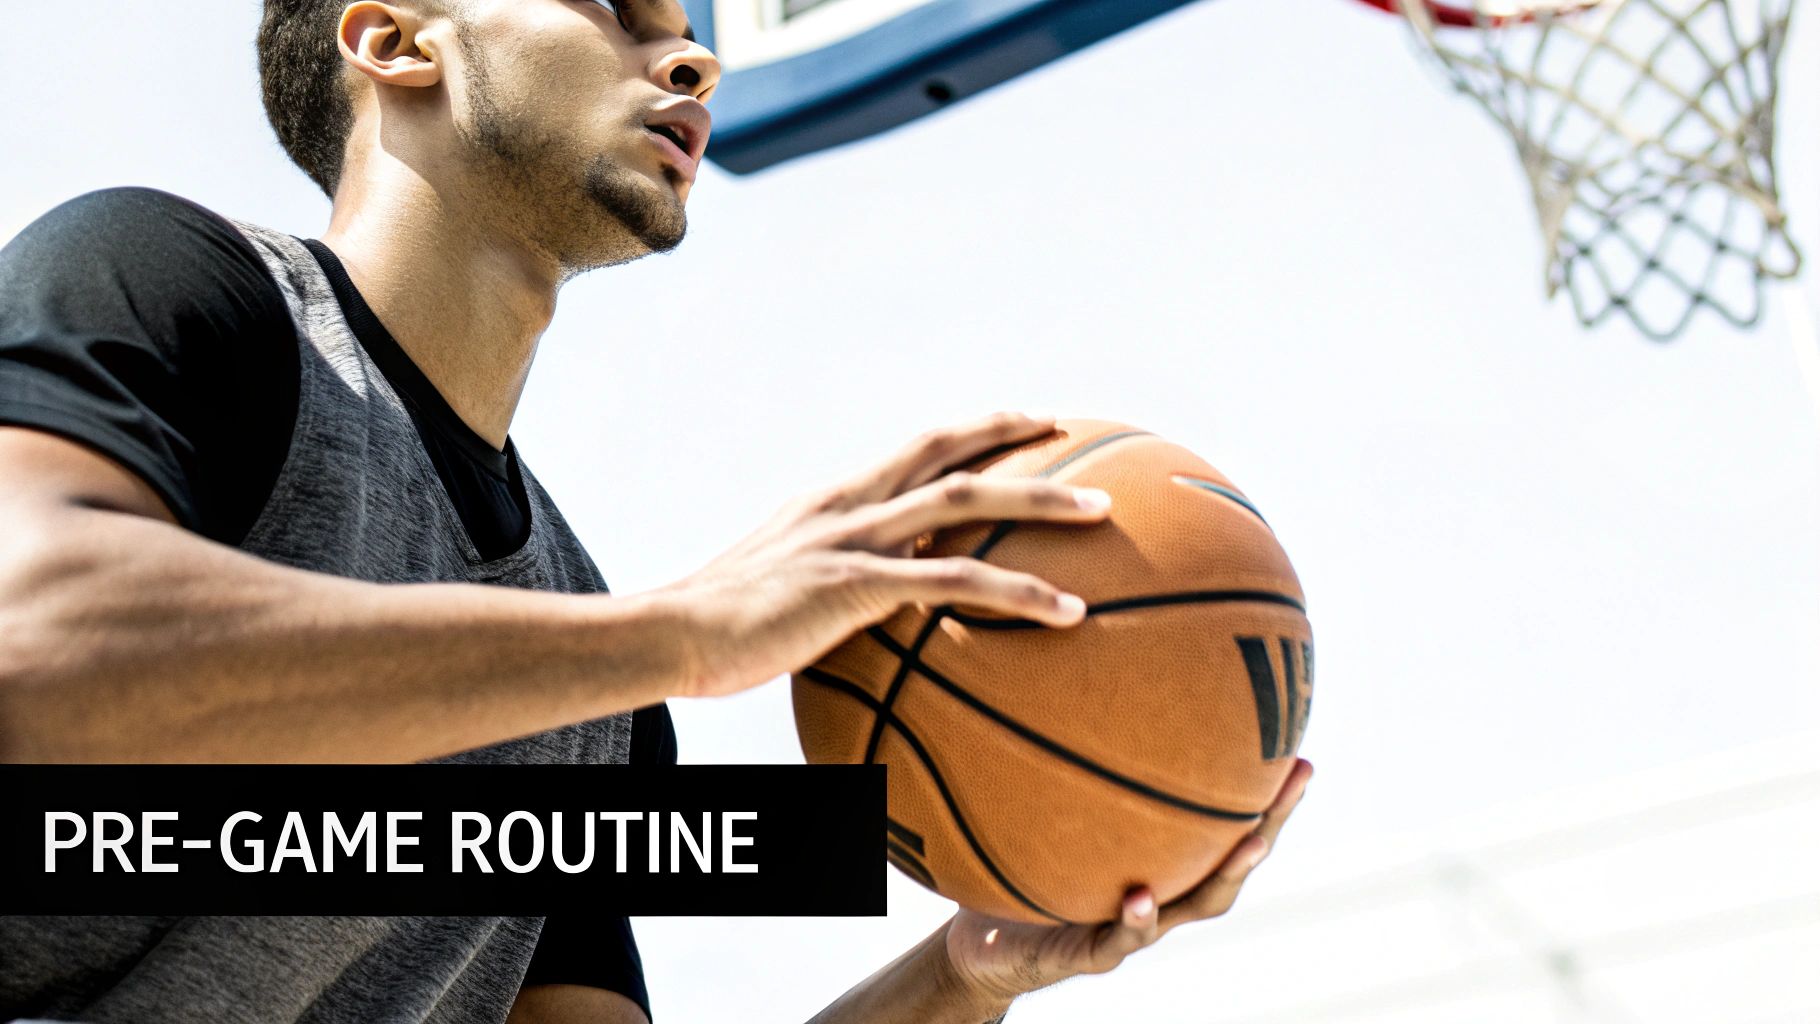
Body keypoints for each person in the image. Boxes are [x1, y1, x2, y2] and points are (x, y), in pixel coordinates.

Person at [0, 1, 1312, 1021]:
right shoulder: (174, 282)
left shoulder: (579, 646)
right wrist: (683, 635)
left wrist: (966, 977)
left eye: (690, 36)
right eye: (619, 13)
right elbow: (36, 651)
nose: (689, 63)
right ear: (396, 42)